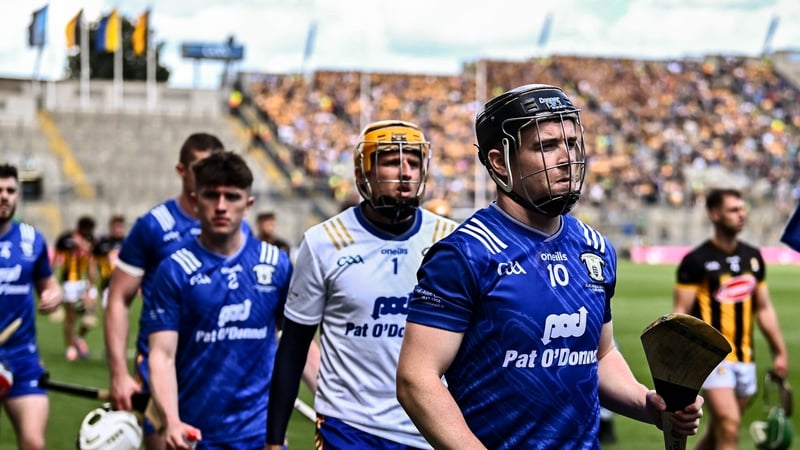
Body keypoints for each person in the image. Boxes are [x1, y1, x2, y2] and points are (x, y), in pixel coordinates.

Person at [395, 84, 704, 448]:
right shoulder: (466, 254)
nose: (566, 158)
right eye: (546, 146)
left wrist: (646, 403)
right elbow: (417, 379)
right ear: (499, 162)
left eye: (572, 143)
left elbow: (599, 354)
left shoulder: (595, 248)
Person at [266, 120, 458, 450]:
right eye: (390, 161)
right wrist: (273, 439)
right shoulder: (322, 242)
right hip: (349, 426)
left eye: (413, 161)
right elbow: (294, 347)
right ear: (361, 173)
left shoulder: (451, 239)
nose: (405, 172)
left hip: (430, 424)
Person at [147, 151, 292, 449]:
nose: (221, 206)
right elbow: (161, 355)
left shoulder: (276, 264)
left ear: (248, 204)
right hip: (196, 434)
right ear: (195, 199)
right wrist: (172, 421)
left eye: (232, 196)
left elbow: (293, 341)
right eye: (211, 195)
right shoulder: (174, 270)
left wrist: (331, 402)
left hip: (260, 435)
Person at [104, 132, 225, 450]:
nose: (209, 177)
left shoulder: (235, 226)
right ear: (181, 171)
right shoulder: (153, 225)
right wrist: (118, 372)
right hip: (159, 365)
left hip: (214, 372)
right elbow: (118, 298)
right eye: (200, 168)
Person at [674, 187, 789, 450]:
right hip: (713, 358)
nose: (742, 214)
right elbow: (680, 314)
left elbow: (764, 308)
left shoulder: (753, 257)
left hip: (746, 358)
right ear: (715, 214)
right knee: (729, 423)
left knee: (720, 429)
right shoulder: (696, 261)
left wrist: (779, 351)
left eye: (742, 209)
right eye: (733, 210)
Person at [0, 163, 62, 449]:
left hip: (22, 358)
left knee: (34, 443)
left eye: (11, 190)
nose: (4, 196)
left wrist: (53, 295)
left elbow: (47, 284)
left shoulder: (32, 240)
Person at [53, 215, 98, 361]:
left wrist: (90, 287)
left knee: (89, 318)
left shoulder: (91, 241)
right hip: (69, 283)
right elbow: (55, 260)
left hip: (84, 282)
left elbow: (92, 265)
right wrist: (53, 282)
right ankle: (70, 347)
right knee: (71, 317)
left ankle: (79, 338)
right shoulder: (65, 239)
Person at [93, 214, 126, 308]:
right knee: (110, 314)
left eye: (121, 226)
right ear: (111, 227)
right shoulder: (102, 244)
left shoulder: (128, 243)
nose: (118, 229)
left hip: (125, 286)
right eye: (116, 226)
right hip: (107, 285)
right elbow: (93, 264)